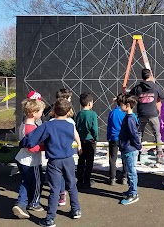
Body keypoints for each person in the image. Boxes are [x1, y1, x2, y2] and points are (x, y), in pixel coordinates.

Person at [19, 98, 82, 227]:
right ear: (69, 111)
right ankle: (76, 210)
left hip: (54, 161)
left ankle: (50, 219)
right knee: (71, 186)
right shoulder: (70, 125)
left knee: (55, 189)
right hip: (69, 160)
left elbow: (33, 138)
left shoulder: (48, 125)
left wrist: (23, 143)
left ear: (53, 111)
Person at [12, 98, 46, 219]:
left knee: (26, 182)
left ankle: (21, 203)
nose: (42, 114)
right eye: (41, 111)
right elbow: (32, 148)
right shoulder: (31, 128)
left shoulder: (24, 124)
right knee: (38, 182)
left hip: (22, 159)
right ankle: (34, 203)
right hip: (31, 161)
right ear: (34, 113)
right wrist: (45, 147)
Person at [129, 68, 164, 164]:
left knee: (139, 135)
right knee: (157, 135)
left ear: (142, 77)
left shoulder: (137, 88)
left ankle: (137, 155)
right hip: (153, 115)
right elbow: (162, 96)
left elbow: (129, 95)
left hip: (141, 115)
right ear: (150, 76)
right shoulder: (156, 87)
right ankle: (159, 156)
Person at [119, 94, 142, 205]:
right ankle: (131, 190)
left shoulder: (130, 119)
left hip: (130, 149)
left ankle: (134, 193)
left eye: (121, 104)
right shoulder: (129, 117)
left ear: (127, 105)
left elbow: (134, 134)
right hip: (127, 148)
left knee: (132, 172)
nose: (119, 106)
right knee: (130, 172)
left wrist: (138, 146)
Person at [107, 93, 130, 186]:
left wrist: (108, 137)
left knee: (113, 158)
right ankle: (124, 177)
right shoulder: (124, 114)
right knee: (124, 157)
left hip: (113, 138)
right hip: (123, 138)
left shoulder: (112, 113)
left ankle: (112, 178)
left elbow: (109, 126)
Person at [76, 92, 99, 188]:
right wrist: (96, 138)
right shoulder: (92, 114)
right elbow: (95, 128)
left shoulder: (79, 114)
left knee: (81, 160)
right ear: (89, 103)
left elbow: (76, 126)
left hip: (81, 141)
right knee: (89, 162)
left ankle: (79, 180)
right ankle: (87, 180)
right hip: (90, 141)